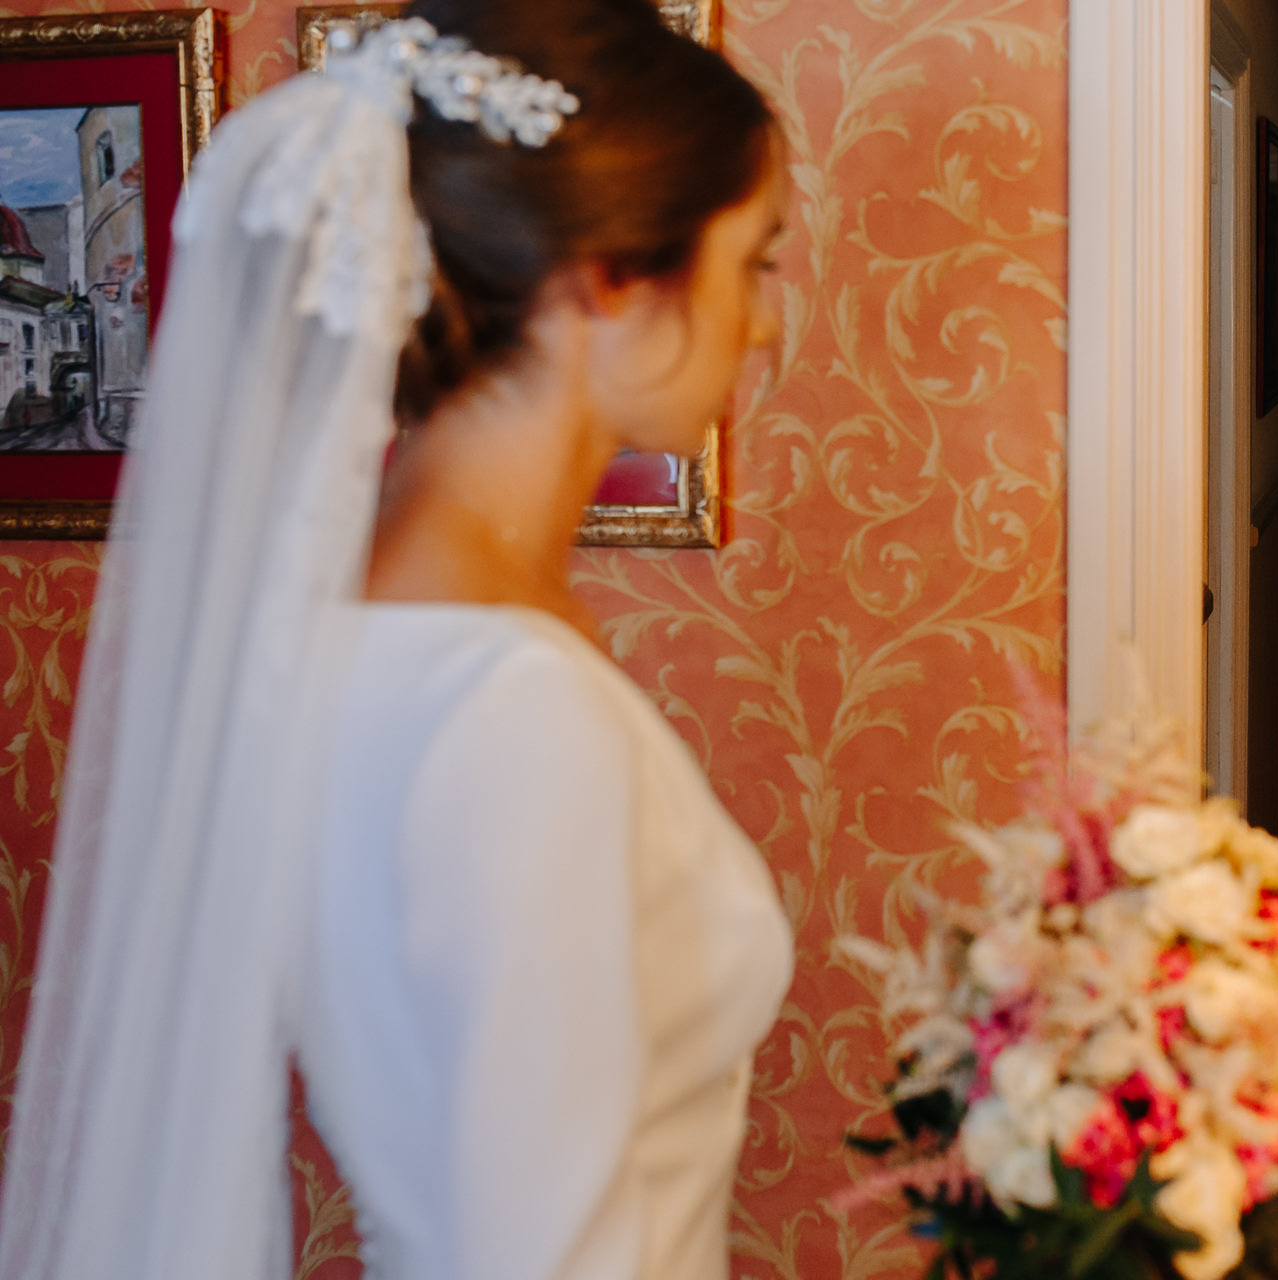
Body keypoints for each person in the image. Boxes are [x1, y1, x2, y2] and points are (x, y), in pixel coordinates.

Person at [0, 3, 794, 1278]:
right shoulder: (511, 708)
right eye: (752, 261)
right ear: (609, 280)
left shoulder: (357, 643)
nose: (761, 323)